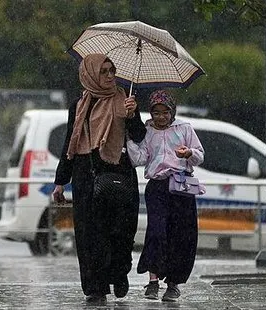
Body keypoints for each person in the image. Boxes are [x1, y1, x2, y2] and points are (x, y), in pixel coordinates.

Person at [51, 53, 146, 303]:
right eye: (103, 71)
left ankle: (119, 273)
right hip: (86, 174)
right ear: (90, 74)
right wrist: (60, 181)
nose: (109, 76)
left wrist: (133, 115)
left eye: (112, 71)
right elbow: (69, 144)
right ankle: (96, 287)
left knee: (121, 231)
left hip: (119, 171)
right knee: (90, 234)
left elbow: (139, 137)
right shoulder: (79, 105)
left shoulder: (125, 99)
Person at [126, 90, 204, 302]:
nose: (161, 117)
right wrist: (129, 141)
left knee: (181, 236)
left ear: (172, 112)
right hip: (157, 188)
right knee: (157, 233)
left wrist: (188, 153)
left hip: (181, 188)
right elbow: (140, 158)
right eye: (156, 112)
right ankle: (153, 280)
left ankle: (173, 284)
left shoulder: (184, 129)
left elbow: (199, 155)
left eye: (165, 112)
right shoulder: (147, 131)